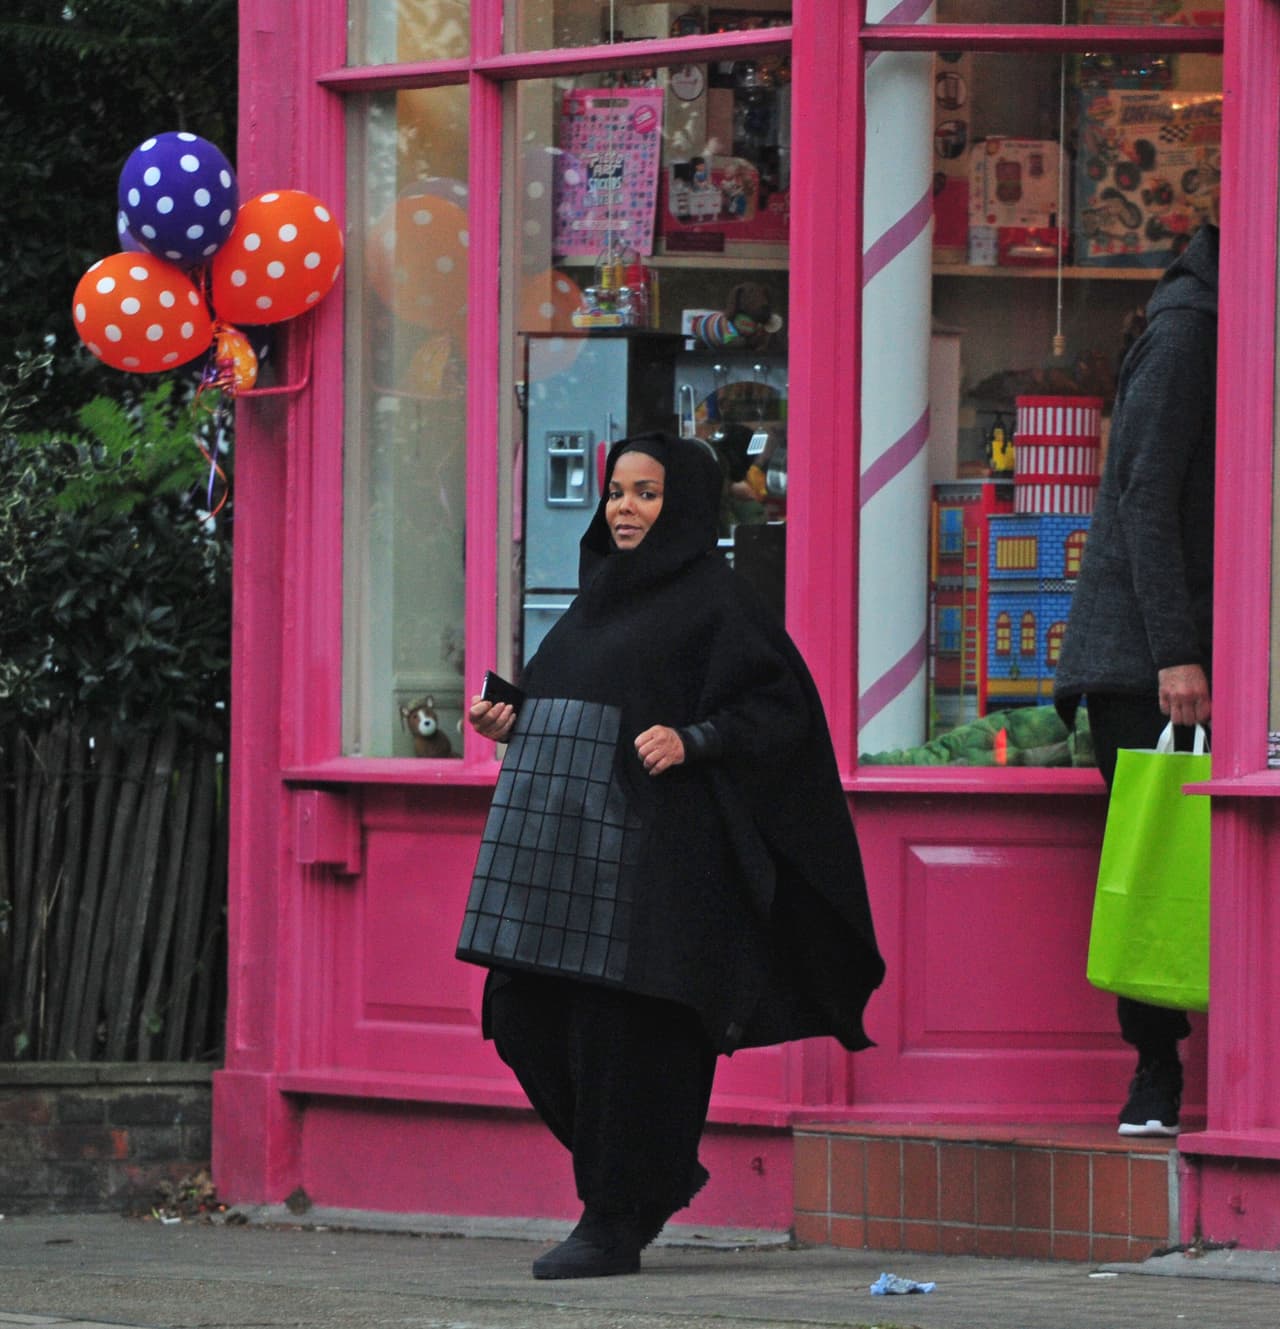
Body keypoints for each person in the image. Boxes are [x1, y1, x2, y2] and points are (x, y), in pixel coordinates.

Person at [457, 432, 884, 1279]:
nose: (624, 507)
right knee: (520, 1014)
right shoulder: (594, 601)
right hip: (574, 863)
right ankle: (647, 1175)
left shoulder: (720, 604)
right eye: (616, 491)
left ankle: (615, 1218)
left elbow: (780, 711)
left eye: (646, 493)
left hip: (669, 870)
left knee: (630, 1036)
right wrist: (512, 717)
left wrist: (697, 739)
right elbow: (574, 702)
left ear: (684, 505)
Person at [1054, 216, 1218, 1137]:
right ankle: (1155, 1073)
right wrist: (1176, 653)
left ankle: (1164, 1072)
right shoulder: (1193, 327)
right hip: (1150, 666)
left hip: (1174, 650)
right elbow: (1145, 496)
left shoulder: (1209, 318)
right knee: (1158, 864)